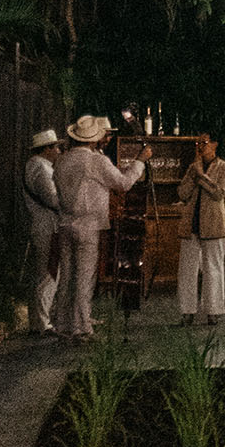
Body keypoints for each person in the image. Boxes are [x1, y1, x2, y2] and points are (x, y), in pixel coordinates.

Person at [53, 116, 147, 341]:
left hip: (65, 221)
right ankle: (81, 326)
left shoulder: (62, 161)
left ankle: (63, 322)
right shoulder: (95, 161)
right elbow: (123, 183)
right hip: (88, 223)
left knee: (67, 275)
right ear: (94, 139)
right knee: (84, 276)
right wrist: (140, 162)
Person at [177, 132, 225, 325]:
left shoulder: (224, 168)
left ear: (215, 144)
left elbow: (219, 193)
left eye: (204, 142)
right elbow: (182, 193)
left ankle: (213, 311)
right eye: (198, 143)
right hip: (191, 224)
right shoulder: (193, 167)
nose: (200, 146)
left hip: (213, 225)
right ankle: (187, 311)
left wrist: (201, 178)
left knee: (213, 269)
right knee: (187, 269)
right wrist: (194, 177)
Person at [23, 127, 61, 339]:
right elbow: (52, 199)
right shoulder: (41, 169)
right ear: (47, 149)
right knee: (48, 273)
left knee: (45, 273)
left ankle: (39, 320)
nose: (58, 151)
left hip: (42, 224)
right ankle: (42, 322)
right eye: (55, 147)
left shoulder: (35, 166)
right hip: (47, 225)